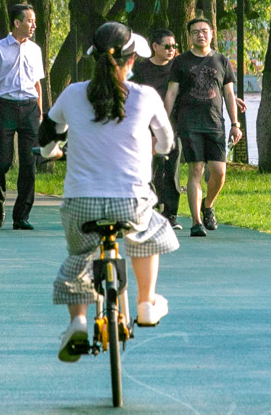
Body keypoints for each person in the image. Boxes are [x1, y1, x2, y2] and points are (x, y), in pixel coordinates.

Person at [49, 21, 182, 361]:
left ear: (92, 58)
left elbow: (46, 137)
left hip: (82, 203)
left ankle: (78, 322)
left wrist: (52, 151)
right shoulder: (145, 96)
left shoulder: (72, 94)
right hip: (131, 202)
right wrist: (154, 147)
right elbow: (167, 141)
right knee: (147, 232)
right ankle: (146, 303)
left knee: (79, 255)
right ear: (133, 59)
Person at [164, 17, 239, 238]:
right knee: (196, 170)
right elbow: (171, 93)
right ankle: (196, 222)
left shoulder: (222, 61)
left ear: (212, 34)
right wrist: (161, 123)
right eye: (195, 32)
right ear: (189, 36)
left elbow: (228, 94)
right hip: (189, 124)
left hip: (215, 124)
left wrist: (235, 123)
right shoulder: (181, 62)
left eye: (204, 31)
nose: (201, 35)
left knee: (219, 172)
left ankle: (208, 205)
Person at [0, 3, 47, 230]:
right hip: (5, 108)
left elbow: (38, 83)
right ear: (17, 23)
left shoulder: (35, 49)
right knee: (2, 161)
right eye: (29, 21)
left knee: (29, 164)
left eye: (34, 21)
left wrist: (40, 111)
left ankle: (21, 216)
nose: (33, 25)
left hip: (29, 108)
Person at [131, 29, 182, 223]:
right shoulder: (141, 69)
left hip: (172, 126)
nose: (171, 50)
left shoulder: (177, 68)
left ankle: (171, 214)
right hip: (145, 126)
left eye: (174, 46)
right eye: (167, 46)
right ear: (155, 47)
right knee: (148, 169)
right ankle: (149, 207)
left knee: (171, 170)